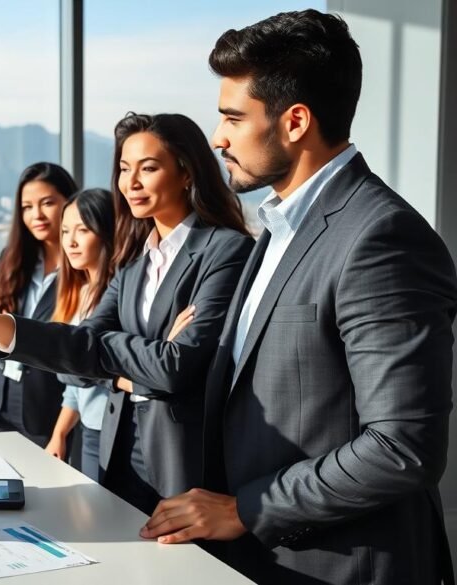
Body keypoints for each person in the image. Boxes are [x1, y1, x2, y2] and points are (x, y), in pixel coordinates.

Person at [137, 10, 457, 585]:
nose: (218, 137)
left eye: (233, 117)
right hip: (266, 561)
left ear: (295, 122)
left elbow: (403, 446)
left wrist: (244, 509)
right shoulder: (280, 228)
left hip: (342, 566)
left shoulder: (380, 237)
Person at [0, 112, 253, 514]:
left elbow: (174, 368)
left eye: (148, 168)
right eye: (124, 169)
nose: (130, 183)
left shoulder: (225, 250)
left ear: (187, 172)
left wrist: (116, 359)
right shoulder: (134, 262)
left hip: (180, 460)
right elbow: (75, 365)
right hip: (117, 450)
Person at [0, 162, 78, 448]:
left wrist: (0, 328)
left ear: (70, 202)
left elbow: (75, 344)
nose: (36, 215)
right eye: (27, 207)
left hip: (46, 407)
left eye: (47, 203)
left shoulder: (82, 264)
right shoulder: (12, 260)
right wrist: (15, 337)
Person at [43, 188, 116, 480]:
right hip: (89, 428)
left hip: (114, 430)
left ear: (107, 233)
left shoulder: (117, 297)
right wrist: (59, 433)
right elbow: (76, 384)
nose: (70, 242)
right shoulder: (80, 294)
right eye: (64, 231)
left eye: (83, 230)